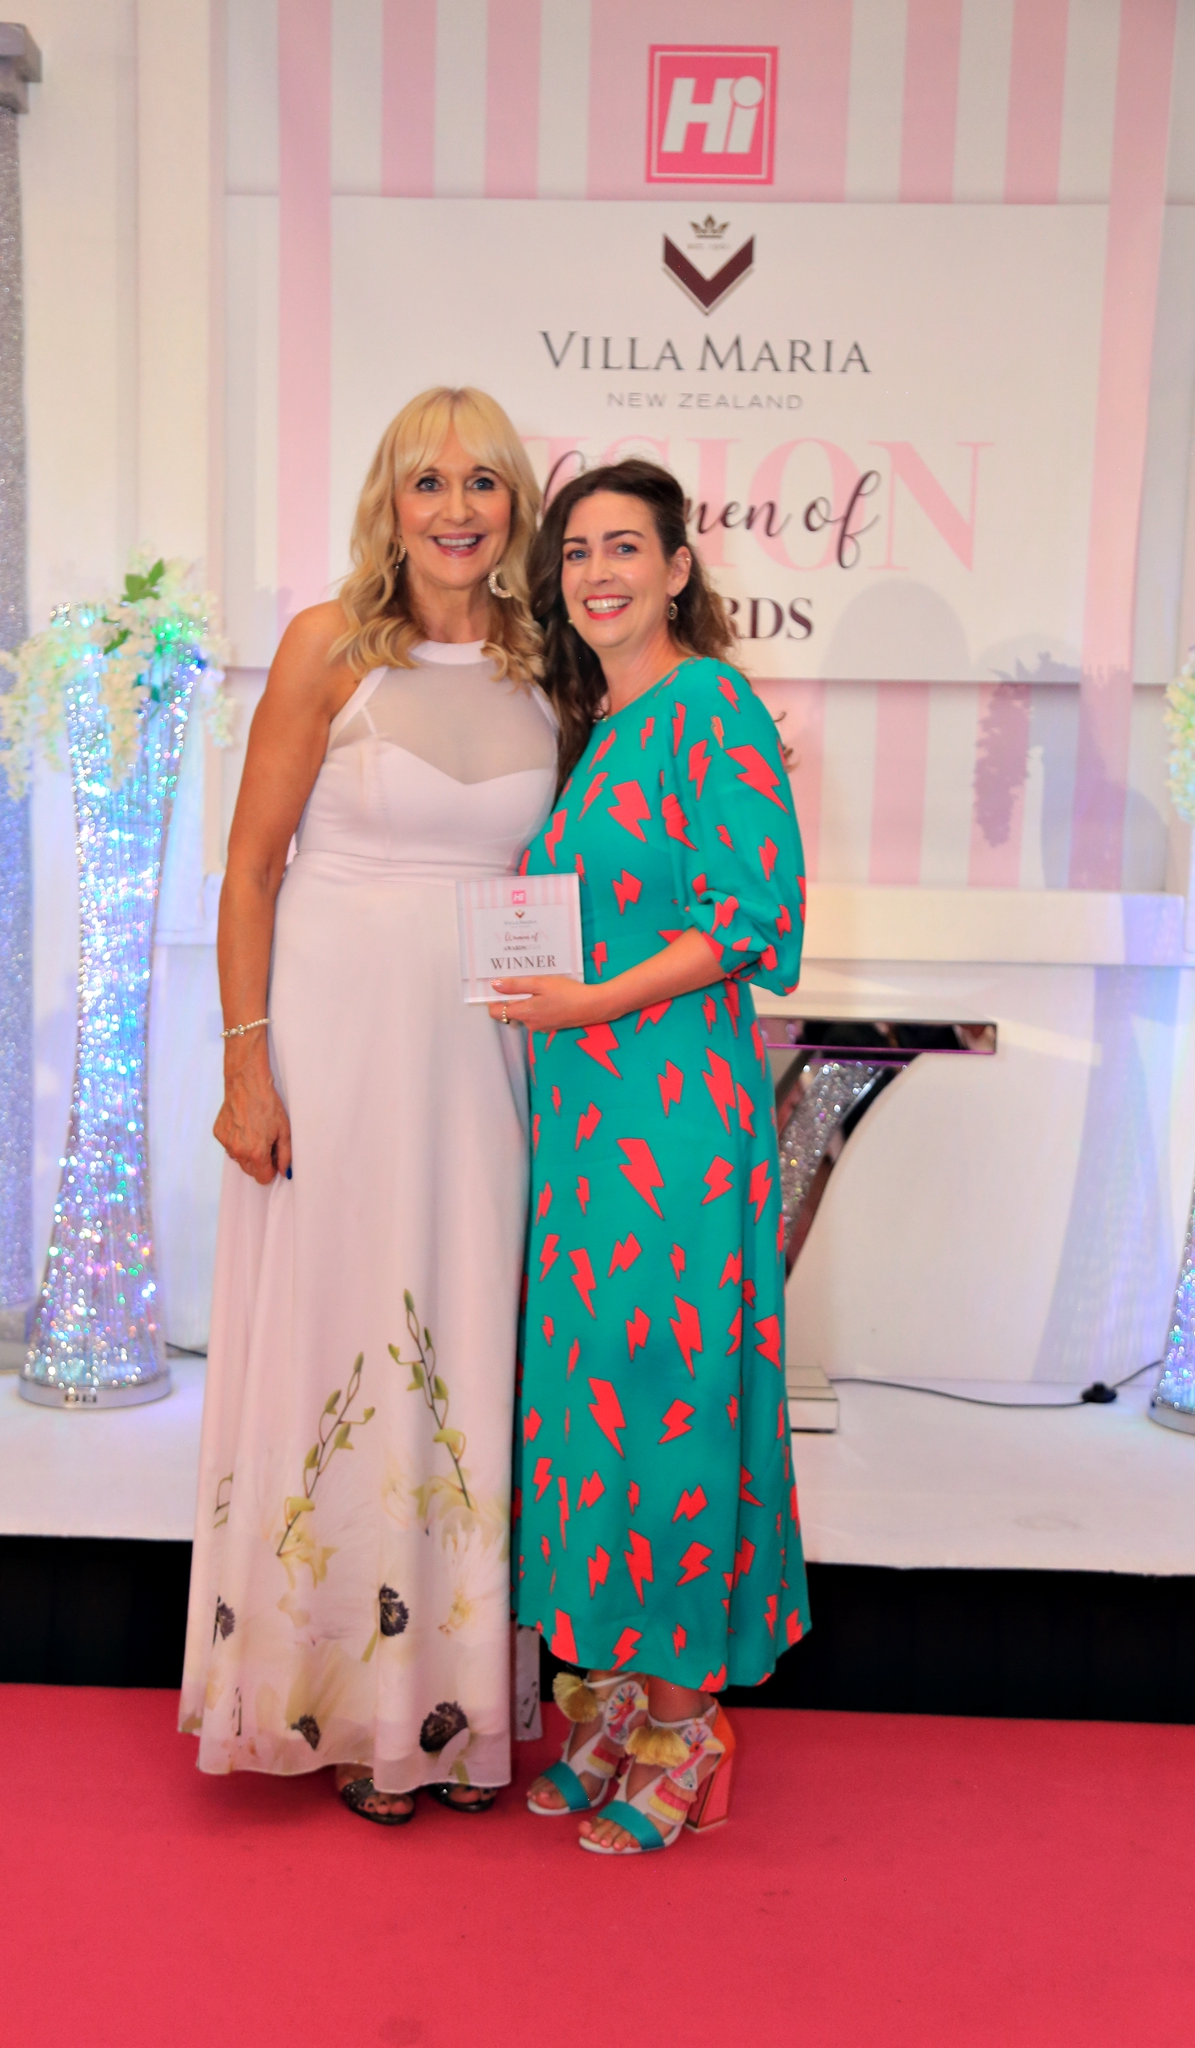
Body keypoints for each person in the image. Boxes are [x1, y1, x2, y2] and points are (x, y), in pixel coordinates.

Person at [179, 388, 557, 1825]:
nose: (457, 509)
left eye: (482, 483)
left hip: (483, 1072)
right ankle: (328, 1700)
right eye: (427, 483)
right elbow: (249, 869)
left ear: (515, 505)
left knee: (465, 1349)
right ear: (388, 504)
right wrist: (245, 1067)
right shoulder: (327, 644)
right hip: (332, 1062)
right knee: (339, 1342)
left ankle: (449, 1710)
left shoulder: (545, 664)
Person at [492, 458, 809, 1854]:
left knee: (670, 1398)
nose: (597, 573)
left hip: (672, 1126)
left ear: (678, 569)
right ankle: (618, 1696)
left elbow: (750, 916)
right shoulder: (602, 728)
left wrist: (589, 1004)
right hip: (586, 1130)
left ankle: (686, 1725)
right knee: (592, 1405)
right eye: (576, 553)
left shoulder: (707, 705)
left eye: (624, 547)